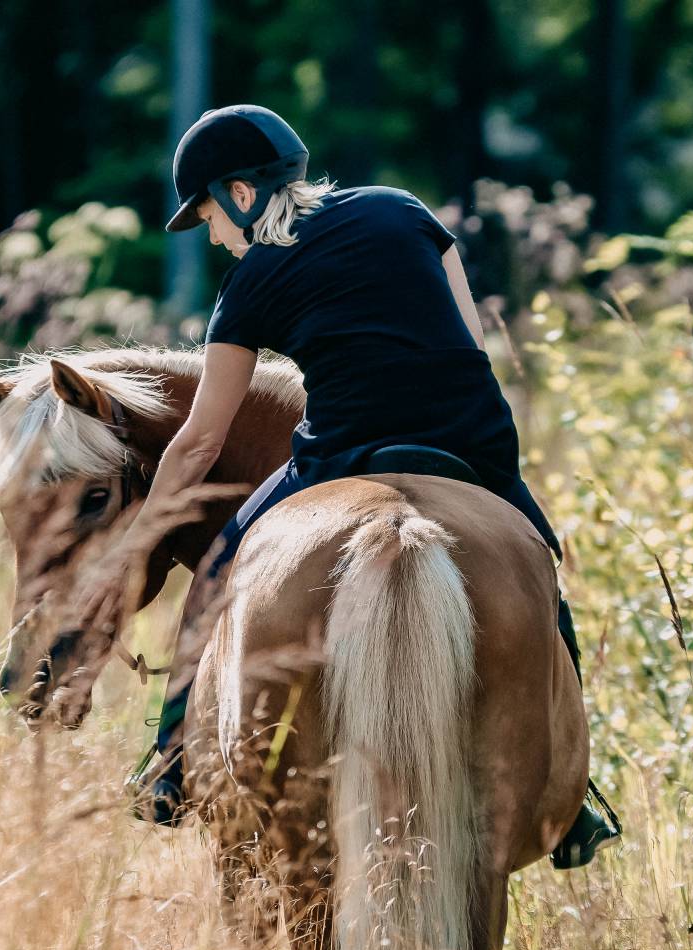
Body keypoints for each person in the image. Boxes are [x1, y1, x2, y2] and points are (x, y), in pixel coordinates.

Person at [129, 104, 619, 869]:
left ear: (240, 194)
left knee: (222, 566)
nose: (216, 237)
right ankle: (576, 792)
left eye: (208, 217)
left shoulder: (250, 281)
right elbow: (472, 341)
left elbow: (200, 440)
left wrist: (142, 530)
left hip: (344, 453)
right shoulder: (404, 208)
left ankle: (167, 764)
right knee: (541, 572)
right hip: (473, 441)